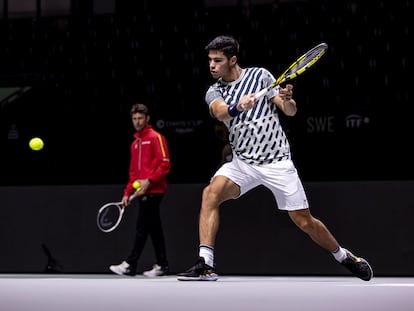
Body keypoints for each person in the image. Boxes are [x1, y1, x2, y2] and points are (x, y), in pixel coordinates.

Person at [177, 35, 373, 281]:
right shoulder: (214, 90)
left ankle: (344, 256)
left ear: (233, 59)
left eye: (218, 60)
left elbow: (289, 111)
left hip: (277, 162)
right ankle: (205, 264)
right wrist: (239, 106)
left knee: (304, 221)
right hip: (244, 163)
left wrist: (288, 99)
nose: (212, 65)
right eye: (210, 60)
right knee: (210, 194)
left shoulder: (261, 76)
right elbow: (220, 112)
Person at [110, 103, 171, 277]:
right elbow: (133, 173)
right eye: (134, 119)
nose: (137, 122)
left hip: (155, 190)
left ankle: (130, 264)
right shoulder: (134, 143)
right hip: (142, 191)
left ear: (147, 118)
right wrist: (126, 193)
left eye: (140, 118)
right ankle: (162, 265)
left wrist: (149, 180)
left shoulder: (155, 137)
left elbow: (165, 164)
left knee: (142, 228)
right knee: (153, 229)